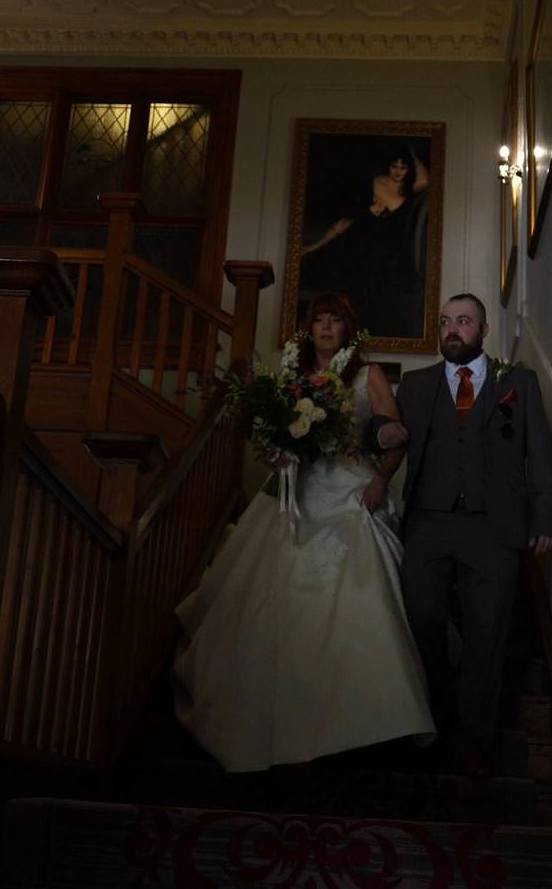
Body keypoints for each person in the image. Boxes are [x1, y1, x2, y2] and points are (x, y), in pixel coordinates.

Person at [171, 292, 434, 772]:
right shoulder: (288, 378)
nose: (327, 329)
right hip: (297, 488)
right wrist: (277, 451)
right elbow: (272, 438)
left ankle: (367, 711)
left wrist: (379, 481)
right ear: (308, 330)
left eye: (335, 321)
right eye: (319, 321)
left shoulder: (366, 376)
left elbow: (395, 436)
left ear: (347, 329)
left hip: (350, 487)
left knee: (361, 551)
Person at [367, 293, 552, 776]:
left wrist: (545, 518)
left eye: (463, 321)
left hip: (492, 528)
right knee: (421, 620)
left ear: (483, 331)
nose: (452, 329)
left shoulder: (516, 383)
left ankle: (475, 738)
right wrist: (378, 434)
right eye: (445, 322)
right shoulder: (415, 386)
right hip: (429, 525)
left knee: (487, 632)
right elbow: (372, 428)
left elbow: (539, 452)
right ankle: (433, 717)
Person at [299, 147, 431, 339]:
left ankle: (358, 331)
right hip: (355, 246)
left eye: (403, 168)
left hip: (386, 255)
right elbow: (346, 221)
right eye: (394, 166)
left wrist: (411, 151)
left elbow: (425, 180)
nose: (397, 171)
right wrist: (312, 246)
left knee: (379, 284)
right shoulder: (373, 183)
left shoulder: (407, 192)